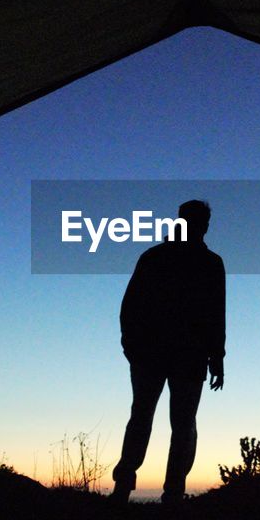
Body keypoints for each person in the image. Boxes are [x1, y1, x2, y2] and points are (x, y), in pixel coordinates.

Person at [110, 199, 225, 504]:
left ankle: (165, 491)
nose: (202, 227)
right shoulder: (182, 260)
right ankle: (146, 489)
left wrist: (218, 357)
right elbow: (131, 304)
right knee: (160, 420)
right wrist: (130, 344)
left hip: (176, 354)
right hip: (161, 353)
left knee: (170, 422)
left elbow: (216, 314)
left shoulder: (164, 258)